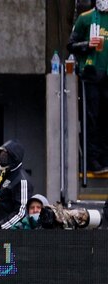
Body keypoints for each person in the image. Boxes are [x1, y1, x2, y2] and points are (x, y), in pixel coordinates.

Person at [67, 1, 108, 173]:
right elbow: (71, 45)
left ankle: (104, 157)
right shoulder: (86, 18)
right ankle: (92, 159)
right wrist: (87, 45)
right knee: (91, 118)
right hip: (91, 75)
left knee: (105, 119)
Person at [0, 140, 34, 229]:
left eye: (5, 156)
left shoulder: (22, 180)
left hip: (6, 235)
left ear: (14, 158)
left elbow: (20, 213)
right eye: (1, 155)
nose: (1, 158)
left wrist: (1, 227)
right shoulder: (1, 174)